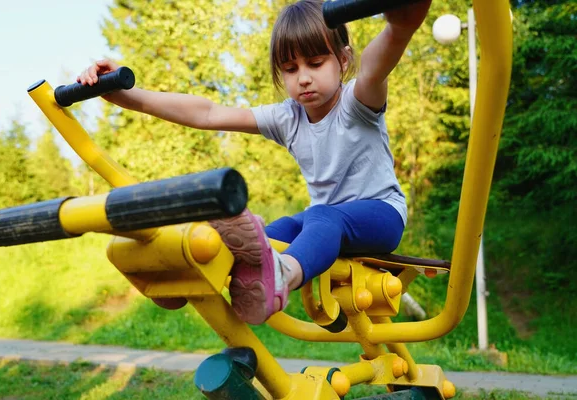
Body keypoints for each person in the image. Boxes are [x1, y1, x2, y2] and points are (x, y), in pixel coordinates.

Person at [78, 0, 431, 324]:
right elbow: (208, 113)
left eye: (315, 63)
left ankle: (283, 276)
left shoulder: (357, 103)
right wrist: (128, 95)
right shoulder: (288, 117)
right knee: (267, 235)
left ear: (343, 60)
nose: (303, 77)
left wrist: (400, 28)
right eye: (290, 69)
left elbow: (374, 68)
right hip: (324, 221)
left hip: (382, 216)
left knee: (320, 216)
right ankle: (187, 276)